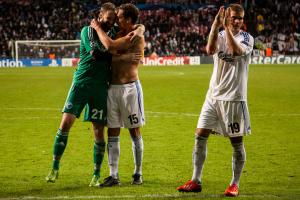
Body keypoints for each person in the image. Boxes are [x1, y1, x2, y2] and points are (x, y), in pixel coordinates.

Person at [45, 2, 143, 187]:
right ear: (100, 16)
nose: (111, 22)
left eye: (113, 19)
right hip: (81, 84)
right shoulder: (88, 31)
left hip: (101, 88)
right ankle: (54, 167)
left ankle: (96, 175)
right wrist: (122, 56)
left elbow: (136, 27)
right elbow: (97, 53)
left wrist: (140, 28)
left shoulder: (112, 31)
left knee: (99, 132)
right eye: (108, 19)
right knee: (65, 124)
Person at [176, 4, 254, 197]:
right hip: (213, 96)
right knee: (200, 136)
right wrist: (215, 25)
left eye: (240, 18)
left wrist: (226, 27)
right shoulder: (219, 35)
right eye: (234, 17)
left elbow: (236, 52)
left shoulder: (246, 38)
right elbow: (210, 48)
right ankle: (195, 180)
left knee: (236, 142)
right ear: (228, 17)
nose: (238, 21)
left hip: (234, 98)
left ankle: (234, 184)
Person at [90, 3, 145, 187]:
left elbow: (111, 47)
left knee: (134, 131)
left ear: (129, 20)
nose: (117, 20)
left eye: (120, 17)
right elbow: (110, 49)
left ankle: (138, 173)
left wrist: (114, 52)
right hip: (112, 88)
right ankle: (114, 175)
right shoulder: (120, 32)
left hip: (130, 89)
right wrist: (122, 56)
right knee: (112, 131)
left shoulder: (135, 37)